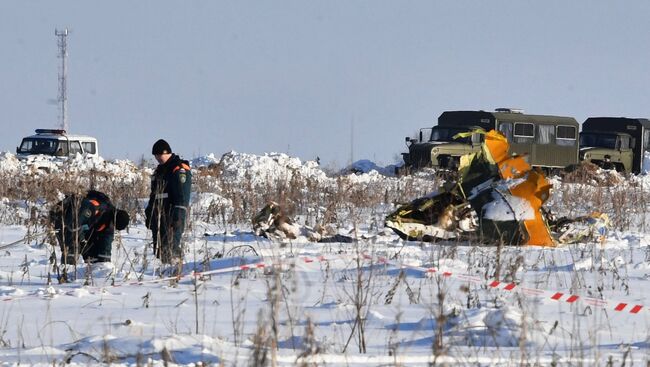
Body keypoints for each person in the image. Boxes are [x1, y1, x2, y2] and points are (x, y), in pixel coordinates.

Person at [50, 190, 130, 265]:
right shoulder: (95, 207)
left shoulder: (109, 221)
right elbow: (73, 226)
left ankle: (92, 276)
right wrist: (82, 241)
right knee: (72, 251)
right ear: (114, 218)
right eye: (114, 225)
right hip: (64, 219)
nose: (113, 227)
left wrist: (105, 265)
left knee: (93, 256)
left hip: (80, 227)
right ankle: (67, 275)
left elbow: (106, 244)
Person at [145, 139, 192, 264]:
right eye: (155, 156)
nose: (157, 158)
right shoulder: (159, 171)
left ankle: (176, 273)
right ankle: (164, 272)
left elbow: (182, 197)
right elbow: (154, 195)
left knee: (171, 248)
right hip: (159, 217)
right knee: (160, 250)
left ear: (167, 153)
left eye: (159, 155)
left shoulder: (179, 169)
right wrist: (149, 213)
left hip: (172, 216)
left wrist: (178, 217)